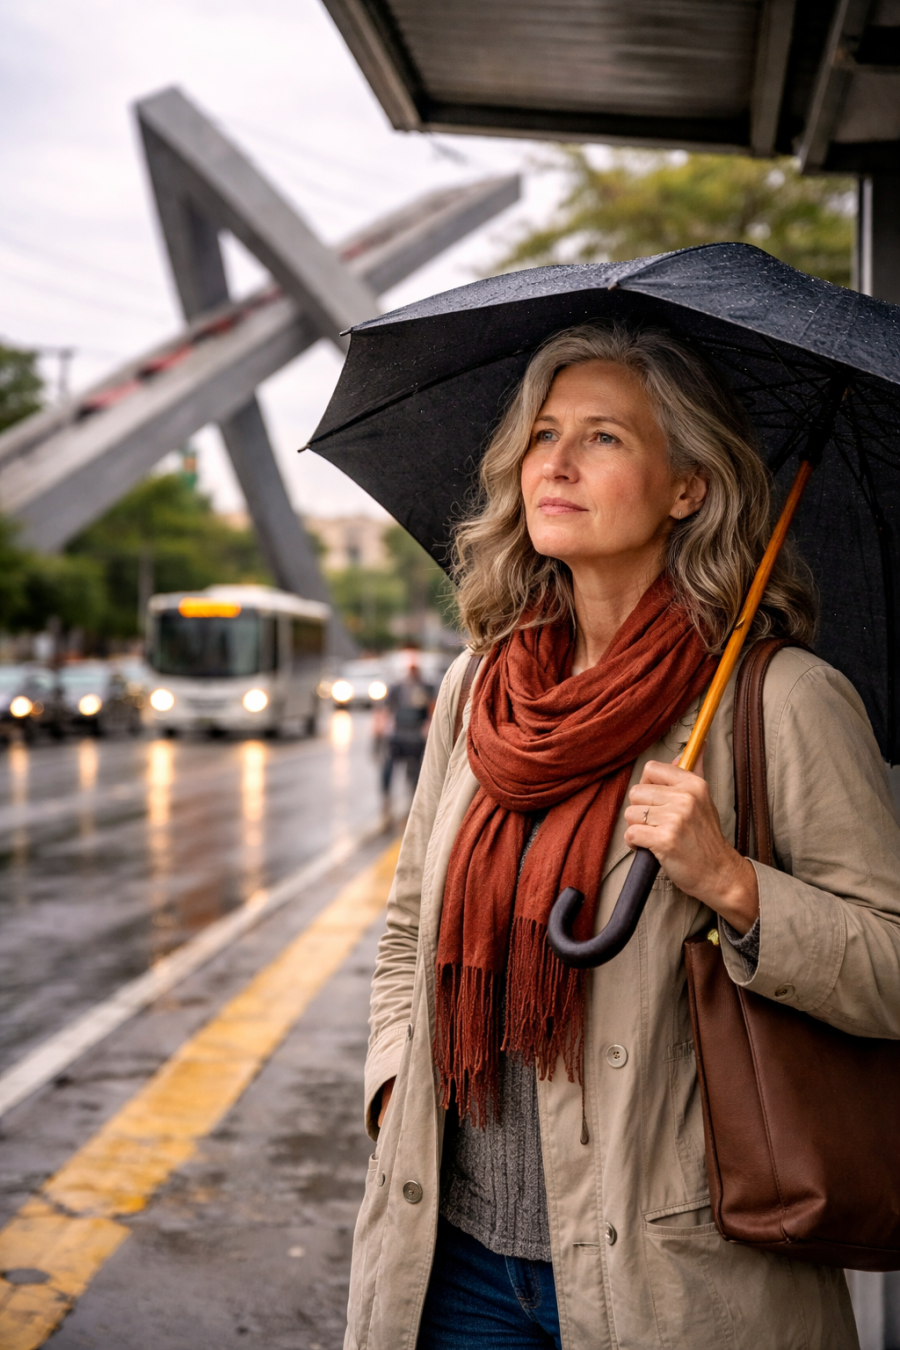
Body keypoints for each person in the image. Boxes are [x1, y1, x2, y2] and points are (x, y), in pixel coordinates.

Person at [344, 324, 900, 1350]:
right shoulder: (480, 689)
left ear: (687, 487)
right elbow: (406, 931)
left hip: (673, 1279)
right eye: (543, 433)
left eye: (602, 438)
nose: (553, 462)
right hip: (452, 1263)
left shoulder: (780, 701)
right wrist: (392, 1094)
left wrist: (736, 886)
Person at [380, 656, 434, 808]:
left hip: (415, 734)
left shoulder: (425, 687)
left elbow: (431, 709)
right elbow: (387, 709)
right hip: (400, 733)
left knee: (416, 767)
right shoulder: (397, 687)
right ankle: (387, 795)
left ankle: (412, 796)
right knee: (389, 764)